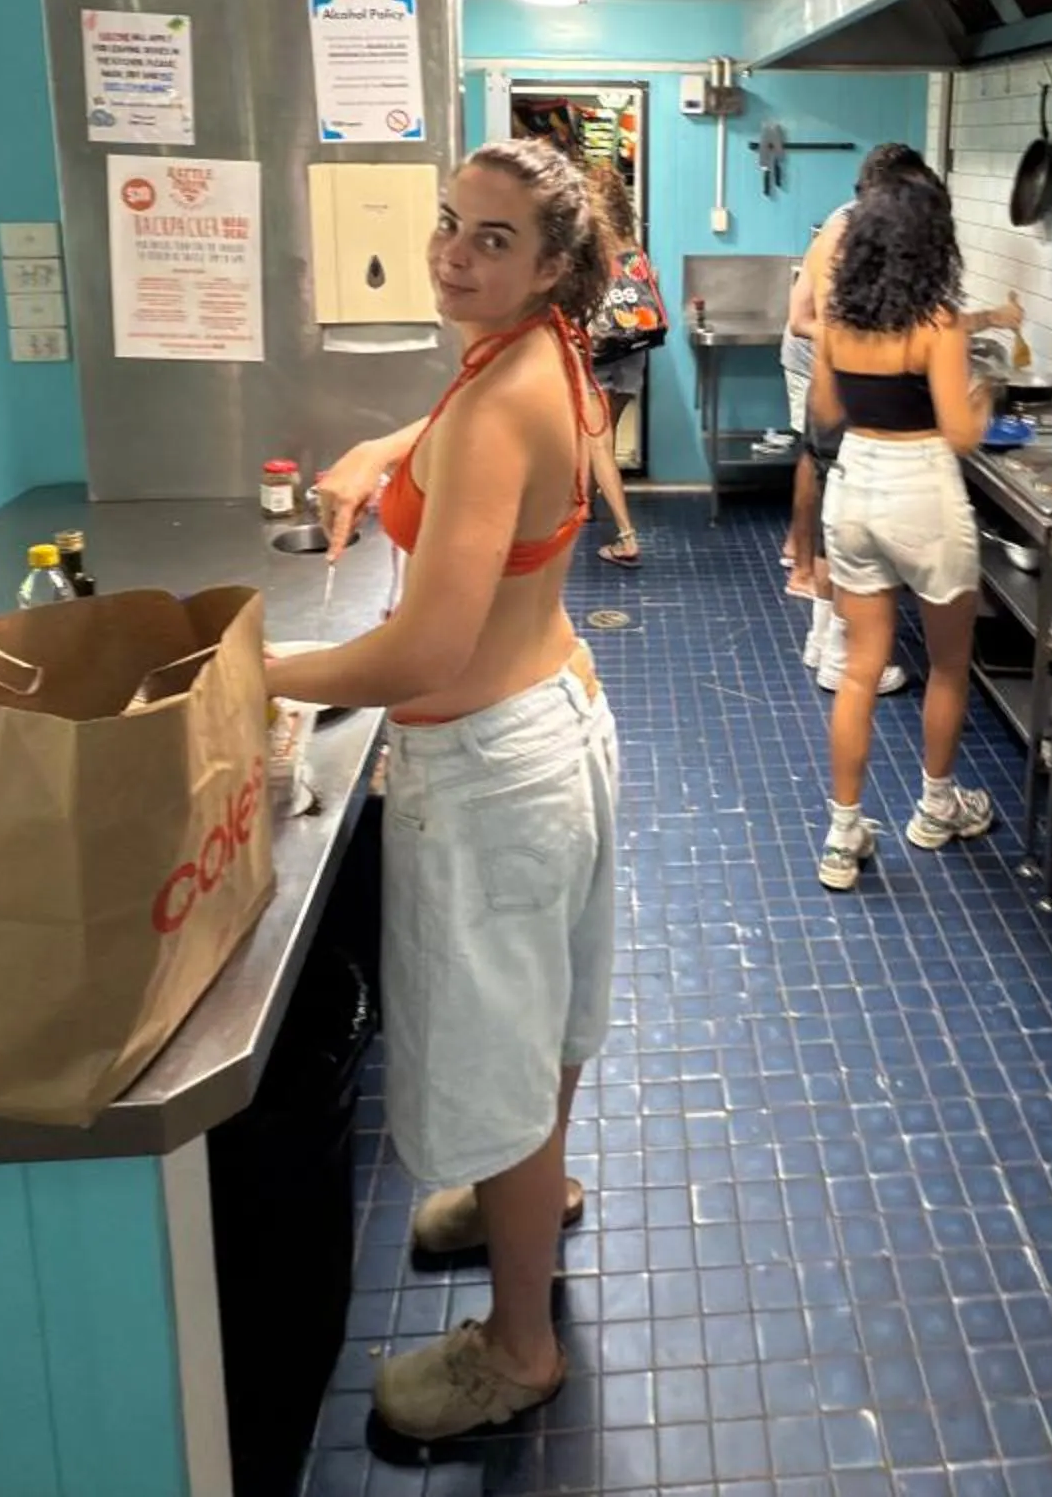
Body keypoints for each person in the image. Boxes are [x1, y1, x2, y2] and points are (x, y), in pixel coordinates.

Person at [269, 138, 621, 1444]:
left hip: (489, 769)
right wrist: (386, 440)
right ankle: (525, 1191)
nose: (453, 253)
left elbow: (422, 652)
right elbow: (476, 422)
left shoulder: (497, 402)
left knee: (503, 1052)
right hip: (560, 717)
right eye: (449, 224)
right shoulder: (552, 357)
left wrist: (259, 666)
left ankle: (520, 1348)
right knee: (546, 1017)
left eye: (491, 240)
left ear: (550, 267)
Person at [808, 171, 1001, 891]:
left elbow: (826, 411)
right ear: (932, 247)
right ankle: (935, 807)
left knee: (860, 666)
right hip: (923, 489)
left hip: (855, 485)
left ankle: (842, 832)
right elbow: (959, 434)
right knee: (949, 665)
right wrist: (984, 397)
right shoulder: (939, 324)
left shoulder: (839, 323)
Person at [784, 145, 1018, 691]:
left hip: (841, 393)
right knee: (943, 663)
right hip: (865, 417)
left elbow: (816, 319)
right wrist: (865, 355)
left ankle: (827, 644)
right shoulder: (863, 241)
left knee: (828, 513)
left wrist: (854, 349)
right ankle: (838, 650)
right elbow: (957, 424)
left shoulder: (846, 232)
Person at [580, 162, 658, 568]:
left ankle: (627, 538)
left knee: (598, 441)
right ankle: (588, 505)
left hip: (599, 348)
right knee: (605, 434)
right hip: (635, 347)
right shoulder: (633, 245)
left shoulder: (589, 245)